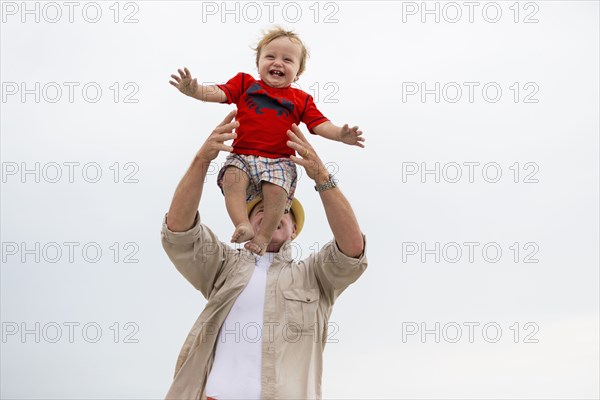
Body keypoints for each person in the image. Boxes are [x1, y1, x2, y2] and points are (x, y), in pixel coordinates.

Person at [161, 110, 367, 399]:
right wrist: (201, 161)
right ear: (247, 221)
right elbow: (179, 232)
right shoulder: (224, 266)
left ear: (294, 229)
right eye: (260, 210)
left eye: (284, 210)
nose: (272, 214)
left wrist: (321, 175)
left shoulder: (314, 276)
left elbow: (352, 249)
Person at [169, 26, 365, 256]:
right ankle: (242, 223)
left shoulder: (300, 99)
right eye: (270, 56)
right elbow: (219, 92)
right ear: (258, 63)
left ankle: (262, 237)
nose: (277, 63)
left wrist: (341, 135)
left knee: (276, 191)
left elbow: (320, 124)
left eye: (287, 60)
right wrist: (196, 91)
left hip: (278, 161)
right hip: (242, 154)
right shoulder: (245, 84)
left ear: (298, 72)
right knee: (233, 179)